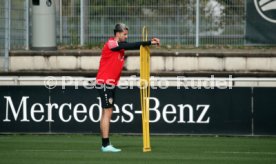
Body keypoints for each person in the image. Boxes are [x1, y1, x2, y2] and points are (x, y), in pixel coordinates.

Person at [95, 23, 160, 152]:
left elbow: (129, 45)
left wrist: (146, 43)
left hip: (110, 83)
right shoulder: (111, 43)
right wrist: (148, 42)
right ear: (117, 33)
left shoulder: (120, 46)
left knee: (106, 113)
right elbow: (130, 45)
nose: (126, 36)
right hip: (105, 83)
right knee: (107, 113)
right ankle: (105, 145)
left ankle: (104, 144)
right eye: (124, 34)